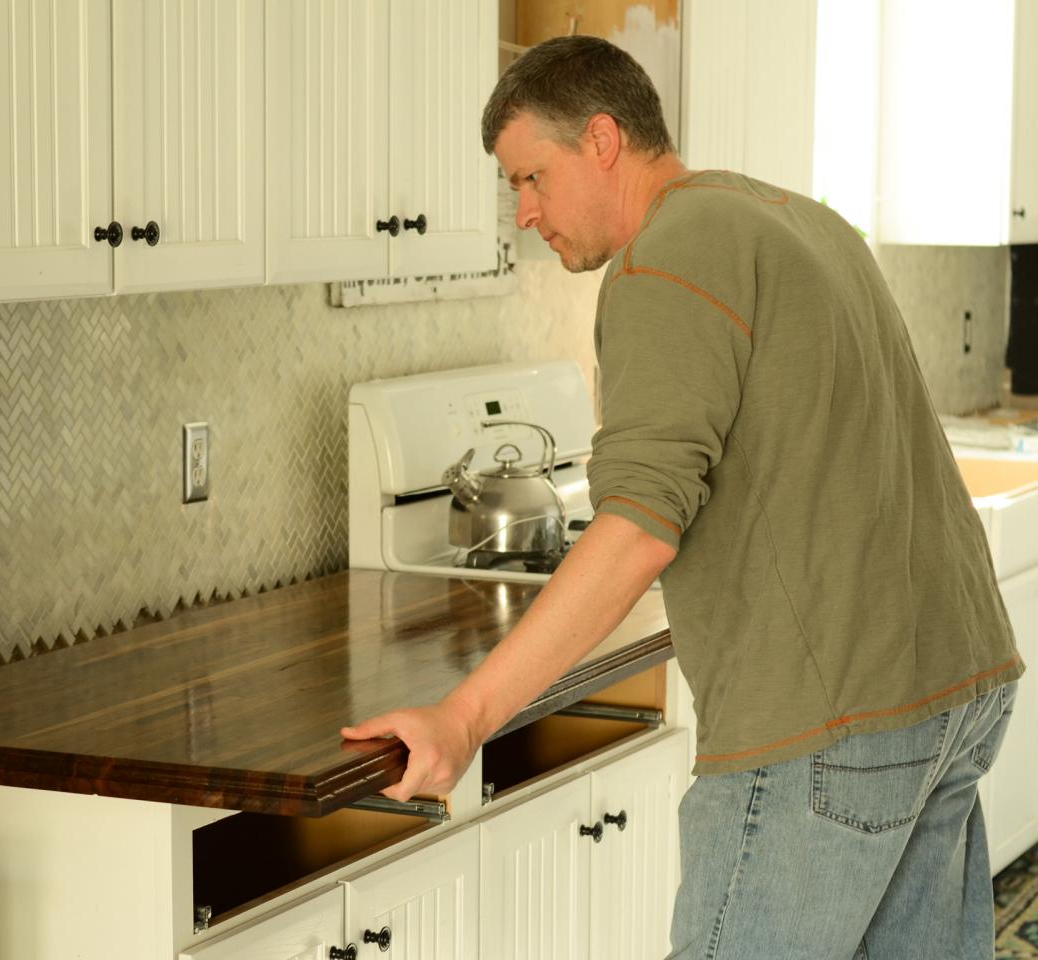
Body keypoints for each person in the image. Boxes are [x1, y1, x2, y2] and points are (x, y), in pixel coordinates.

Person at [340, 34, 1025, 959]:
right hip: (953, 686)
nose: (525, 211)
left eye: (533, 176)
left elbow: (636, 534)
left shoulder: (667, 260)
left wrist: (463, 718)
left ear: (605, 140)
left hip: (830, 724)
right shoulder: (794, 218)